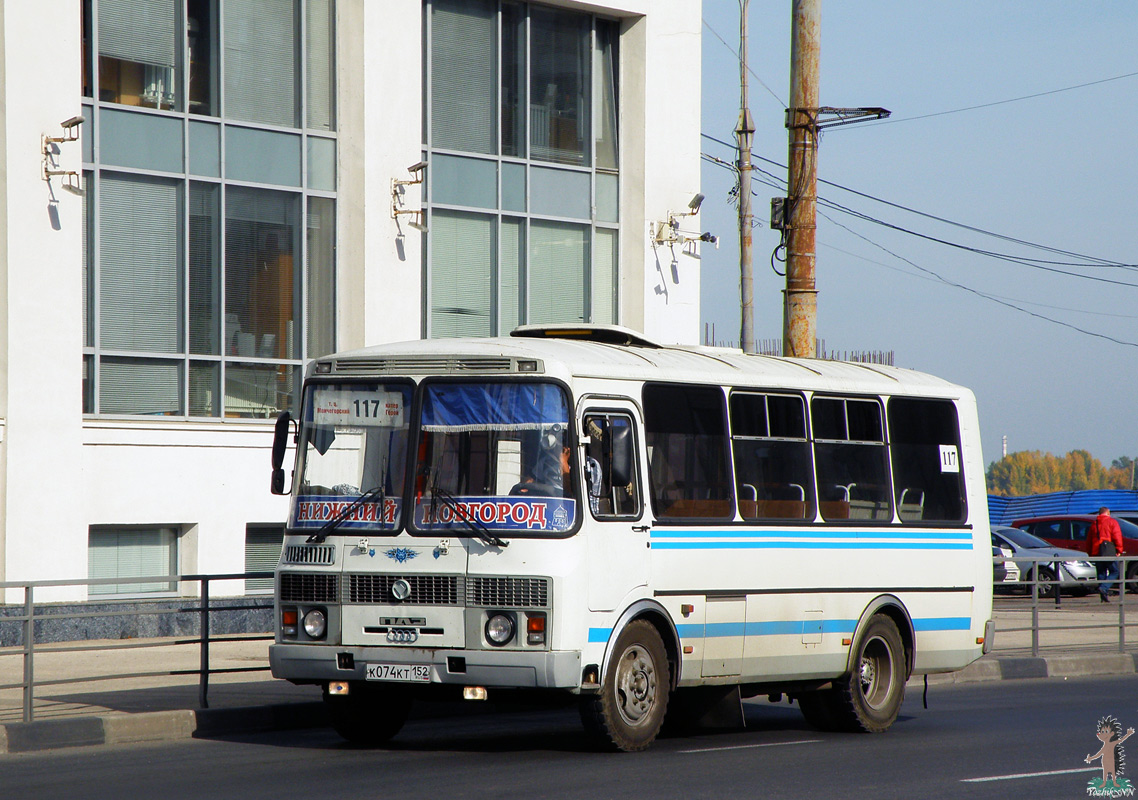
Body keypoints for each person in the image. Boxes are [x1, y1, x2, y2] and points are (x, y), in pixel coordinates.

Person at [1088, 507, 1124, 602]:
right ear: (1108, 513)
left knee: (1101, 573)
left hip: (1097, 552)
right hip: (1108, 551)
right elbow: (1117, 536)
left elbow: (1089, 540)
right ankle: (1104, 588)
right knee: (1115, 571)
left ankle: (1103, 597)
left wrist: (1090, 552)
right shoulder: (1112, 522)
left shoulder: (1094, 523)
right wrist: (1119, 549)